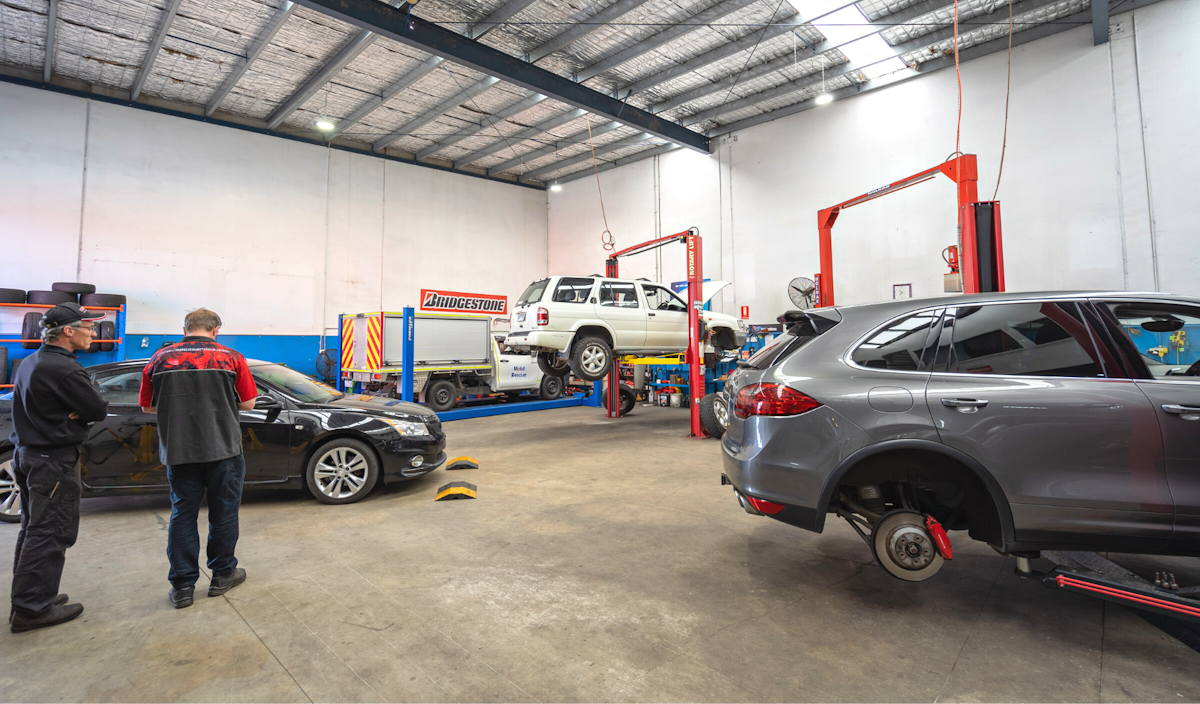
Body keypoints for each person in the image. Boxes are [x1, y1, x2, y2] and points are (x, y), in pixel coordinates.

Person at [137, 308, 256, 609]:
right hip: (224, 450)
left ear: (185, 328)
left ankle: (182, 587)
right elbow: (249, 403)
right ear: (216, 330)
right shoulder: (232, 357)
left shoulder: (159, 359)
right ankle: (222, 575)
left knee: (182, 516)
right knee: (224, 515)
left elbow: (147, 408)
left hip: (179, 451)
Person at [8, 303, 108, 633]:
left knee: (33, 527)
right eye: (88, 328)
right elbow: (97, 408)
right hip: (53, 461)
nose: (92, 333)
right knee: (50, 531)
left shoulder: (31, 362)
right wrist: (81, 407)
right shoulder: (64, 369)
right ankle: (32, 610)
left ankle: (32, 598)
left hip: (29, 454)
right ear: (68, 331)